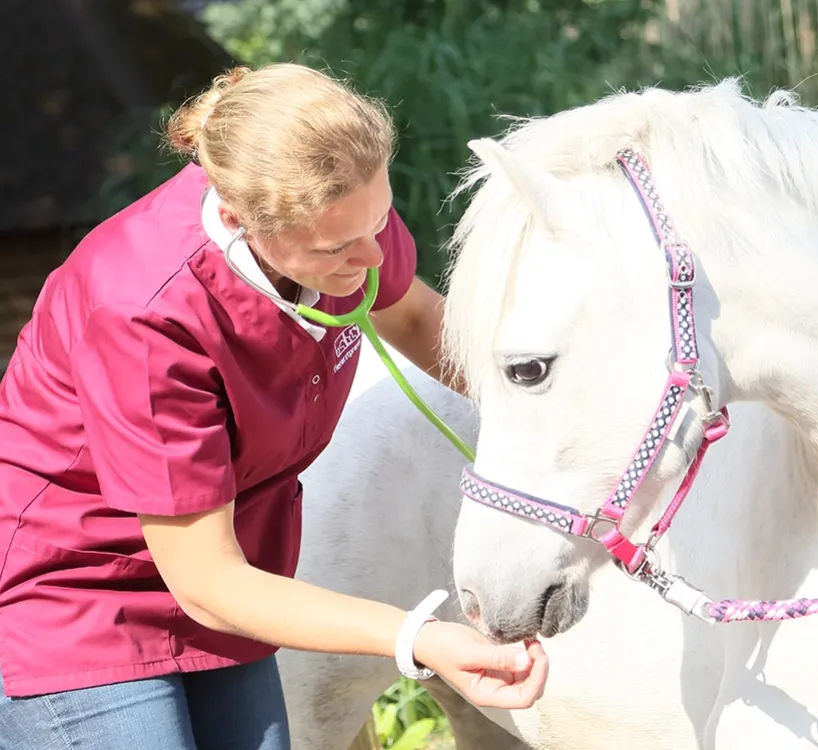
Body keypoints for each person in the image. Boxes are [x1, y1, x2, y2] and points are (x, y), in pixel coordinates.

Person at [0, 62, 547, 749]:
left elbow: (411, 315)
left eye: (378, 220)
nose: (372, 256)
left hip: (235, 575)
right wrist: (417, 638)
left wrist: (559, 424)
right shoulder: (144, 314)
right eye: (337, 246)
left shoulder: (341, 217)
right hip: (83, 596)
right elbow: (207, 581)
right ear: (236, 217)